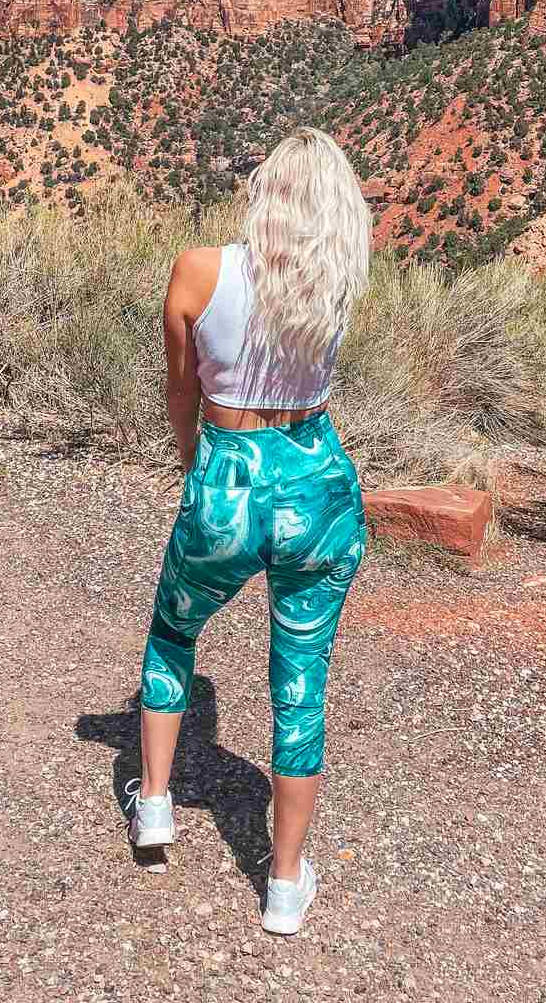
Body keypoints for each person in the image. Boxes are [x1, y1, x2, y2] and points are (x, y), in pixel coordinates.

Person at [131, 127, 371, 936]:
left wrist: (197, 468)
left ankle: (156, 807)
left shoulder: (202, 269)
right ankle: (283, 882)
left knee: (173, 631)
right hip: (319, 483)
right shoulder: (334, 283)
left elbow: (179, 391)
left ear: (263, 191)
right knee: (300, 686)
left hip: (228, 480)